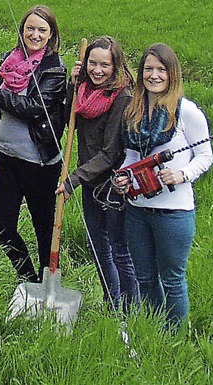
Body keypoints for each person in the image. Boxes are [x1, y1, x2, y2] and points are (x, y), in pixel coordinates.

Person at [114, 43, 212, 330]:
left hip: (174, 212)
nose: (154, 76)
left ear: (172, 74)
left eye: (161, 70)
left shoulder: (186, 112)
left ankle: (175, 338)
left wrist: (182, 174)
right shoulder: (134, 109)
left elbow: (205, 156)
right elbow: (131, 155)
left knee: (171, 278)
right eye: (148, 69)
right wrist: (123, 177)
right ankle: (154, 331)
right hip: (137, 211)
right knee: (144, 277)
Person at [0, 5, 67, 282]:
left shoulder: (54, 71)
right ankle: (29, 279)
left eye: (42, 30)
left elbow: (34, 107)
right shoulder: (9, 61)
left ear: (51, 35)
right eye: (30, 28)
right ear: (22, 30)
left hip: (39, 163)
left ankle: (47, 284)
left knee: (44, 232)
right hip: (6, 157)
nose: (35, 35)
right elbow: (1, 102)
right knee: (2, 228)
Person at [56, 36, 139, 310]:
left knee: (119, 249)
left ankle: (130, 308)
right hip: (92, 181)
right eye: (93, 63)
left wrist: (73, 181)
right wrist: (73, 83)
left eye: (105, 65)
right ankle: (111, 302)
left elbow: (110, 153)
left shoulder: (122, 97)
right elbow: (70, 117)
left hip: (115, 186)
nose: (98, 70)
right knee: (97, 245)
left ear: (116, 66)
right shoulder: (85, 90)